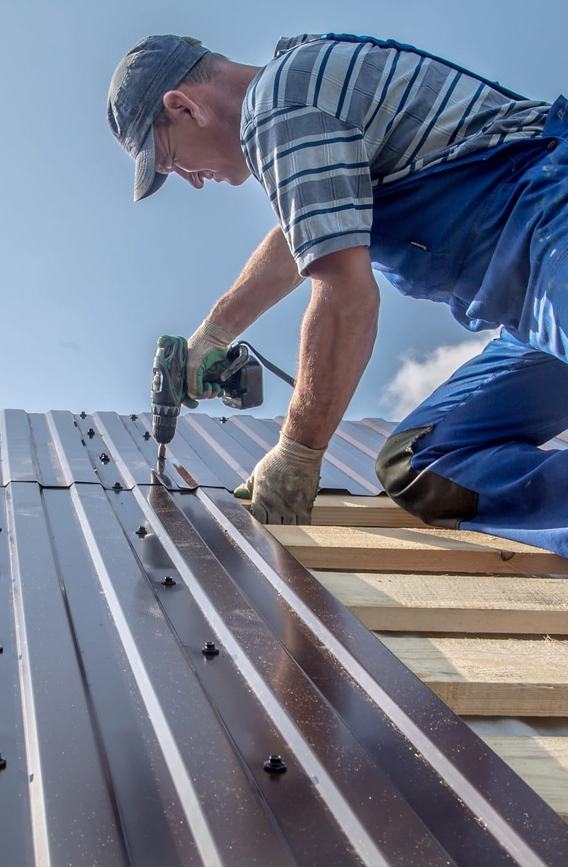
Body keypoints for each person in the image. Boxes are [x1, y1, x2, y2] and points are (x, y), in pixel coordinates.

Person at [107, 32, 568, 558]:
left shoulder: (278, 105)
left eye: (170, 160)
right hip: (532, 307)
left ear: (183, 106)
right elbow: (304, 231)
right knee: (424, 460)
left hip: (551, 219)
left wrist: (298, 455)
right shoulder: (299, 106)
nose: (190, 180)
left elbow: (346, 295)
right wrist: (214, 332)